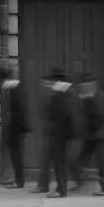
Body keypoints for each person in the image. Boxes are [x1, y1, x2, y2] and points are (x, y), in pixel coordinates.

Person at [34, 68, 75, 198]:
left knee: (60, 163)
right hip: (58, 133)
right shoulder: (62, 93)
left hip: (59, 134)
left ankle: (61, 190)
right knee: (57, 162)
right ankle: (56, 187)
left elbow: (62, 115)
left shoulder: (61, 95)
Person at [71, 73, 104, 196]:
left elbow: (99, 117)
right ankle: (79, 182)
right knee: (79, 161)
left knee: (102, 164)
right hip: (92, 136)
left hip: (101, 136)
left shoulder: (99, 97)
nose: (82, 88)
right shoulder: (89, 97)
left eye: (84, 85)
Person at [0, 63, 30, 190]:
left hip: (15, 129)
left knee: (16, 155)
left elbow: (19, 110)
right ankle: (15, 179)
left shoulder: (14, 89)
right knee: (14, 154)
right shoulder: (13, 88)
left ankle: (19, 181)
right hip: (13, 128)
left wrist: (18, 127)